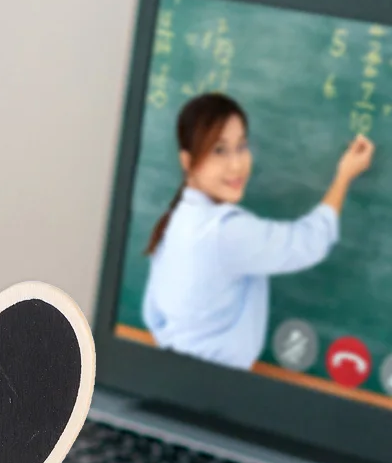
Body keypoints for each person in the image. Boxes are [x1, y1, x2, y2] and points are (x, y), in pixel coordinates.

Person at [141, 92, 374, 369]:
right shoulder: (224, 232)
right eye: (219, 150)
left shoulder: (176, 220)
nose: (237, 164)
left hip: (172, 372)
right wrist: (344, 176)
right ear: (187, 161)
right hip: (213, 387)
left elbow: (152, 314)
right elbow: (309, 241)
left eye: (241, 146)